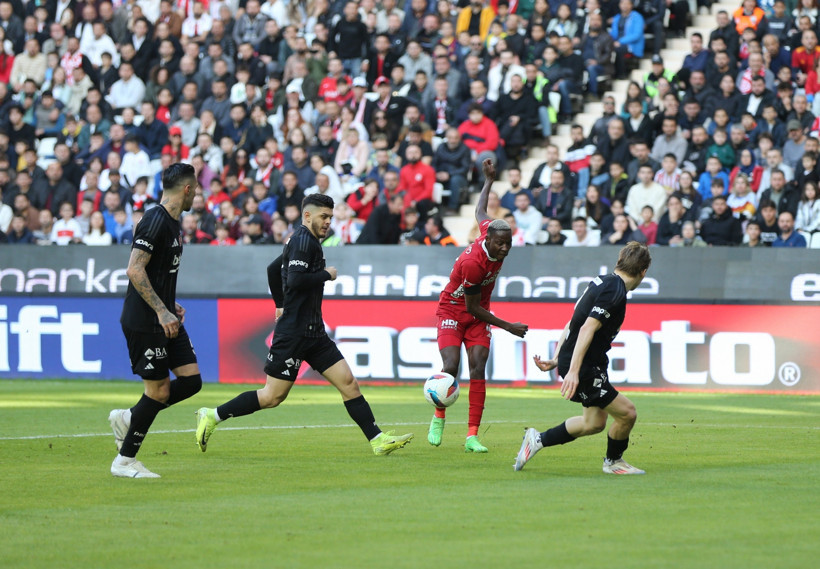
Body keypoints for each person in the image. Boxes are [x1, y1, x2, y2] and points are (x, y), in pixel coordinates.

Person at [195, 193, 414, 456]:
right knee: (272, 397)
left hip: (314, 333)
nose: (328, 222)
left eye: (331, 217)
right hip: (294, 334)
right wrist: (326, 275)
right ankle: (212, 415)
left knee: (348, 383)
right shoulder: (302, 241)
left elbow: (273, 269)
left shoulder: (303, 241)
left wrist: (279, 303)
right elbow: (296, 280)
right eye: (323, 216)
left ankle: (377, 440)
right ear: (307, 215)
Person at [514, 241, 652, 474]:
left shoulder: (601, 282)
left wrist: (559, 358)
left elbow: (573, 322)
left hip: (586, 361)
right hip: (586, 365)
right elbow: (586, 328)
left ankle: (536, 439)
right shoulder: (614, 291)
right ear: (643, 272)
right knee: (628, 413)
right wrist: (574, 371)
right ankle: (614, 462)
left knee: (594, 423)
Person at [109, 163, 203, 479]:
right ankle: (125, 461)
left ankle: (131, 416)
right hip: (146, 320)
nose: (197, 194)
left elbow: (155, 272)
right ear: (187, 189)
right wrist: (162, 311)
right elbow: (134, 269)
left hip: (165, 316)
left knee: (191, 381)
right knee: (159, 392)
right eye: (197, 188)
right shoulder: (154, 221)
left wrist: (168, 304)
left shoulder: (173, 223)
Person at [429, 159, 528, 453]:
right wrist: (508, 326)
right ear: (488, 240)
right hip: (454, 311)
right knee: (450, 366)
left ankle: (472, 436)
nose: (505, 250)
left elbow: (480, 211)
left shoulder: (492, 230)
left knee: (478, 368)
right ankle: (439, 416)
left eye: (508, 244)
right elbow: (471, 308)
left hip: (477, 314)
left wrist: (488, 181)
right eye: (501, 245)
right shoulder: (474, 264)